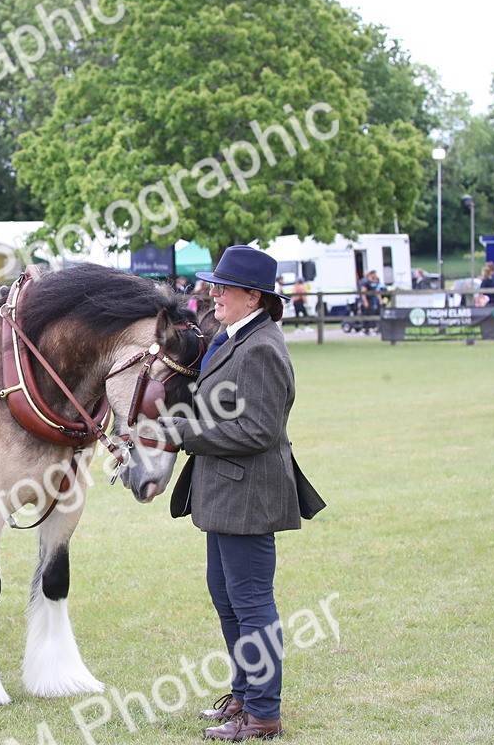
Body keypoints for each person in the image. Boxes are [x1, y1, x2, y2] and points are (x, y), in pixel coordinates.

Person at [158, 245, 325, 742]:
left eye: (223, 287)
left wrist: (182, 431)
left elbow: (259, 430)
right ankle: (244, 697)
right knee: (228, 599)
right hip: (225, 492)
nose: (213, 294)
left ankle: (263, 715)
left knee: (251, 603)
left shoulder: (263, 347)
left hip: (248, 495)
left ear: (253, 296)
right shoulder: (235, 337)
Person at [357, 270, 384, 334]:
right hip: (366, 300)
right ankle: (365, 329)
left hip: (373, 300)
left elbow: (377, 291)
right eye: (374, 274)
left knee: (374, 314)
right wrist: (365, 301)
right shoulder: (366, 282)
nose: (375, 275)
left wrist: (380, 300)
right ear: (371, 274)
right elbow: (363, 292)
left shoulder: (376, 281)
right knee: (366, 314)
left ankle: (374, 328)